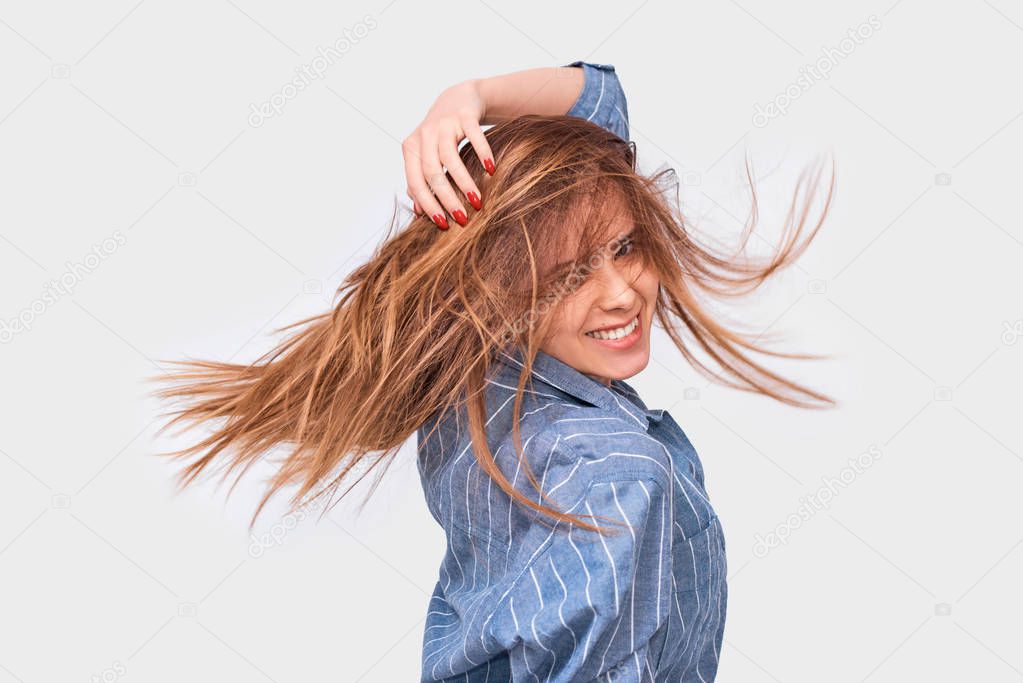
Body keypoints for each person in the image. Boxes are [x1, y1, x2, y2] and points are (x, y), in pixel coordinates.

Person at [152, 61, 835, 682]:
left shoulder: (475, 374)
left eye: (625, 247)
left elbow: (596, 108)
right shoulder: (614, 476)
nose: (621, 292)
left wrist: (467, 96)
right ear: (502, 286)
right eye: (568, 274)